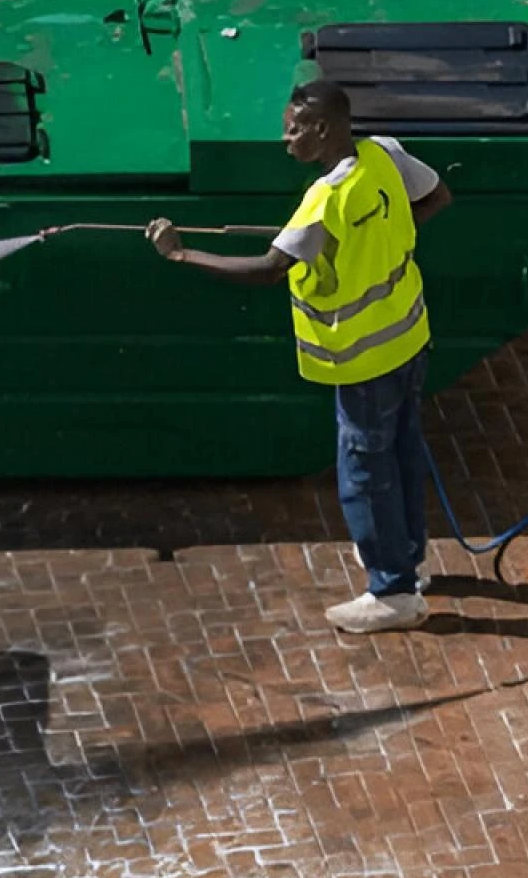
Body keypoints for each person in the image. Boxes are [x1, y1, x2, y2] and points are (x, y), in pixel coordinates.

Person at [147, 80, 453, 633]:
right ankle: (405, 558)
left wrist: (180, 252)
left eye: (293, 129)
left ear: (322, 129)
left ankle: (393, 592)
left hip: (363, 359)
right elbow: (436, 197)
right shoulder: (384, 154)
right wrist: (385, 241)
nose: (285, 139)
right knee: (403, 451)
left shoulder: (323, 200)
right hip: (409, 334)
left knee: (364, 470)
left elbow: (266, 270)